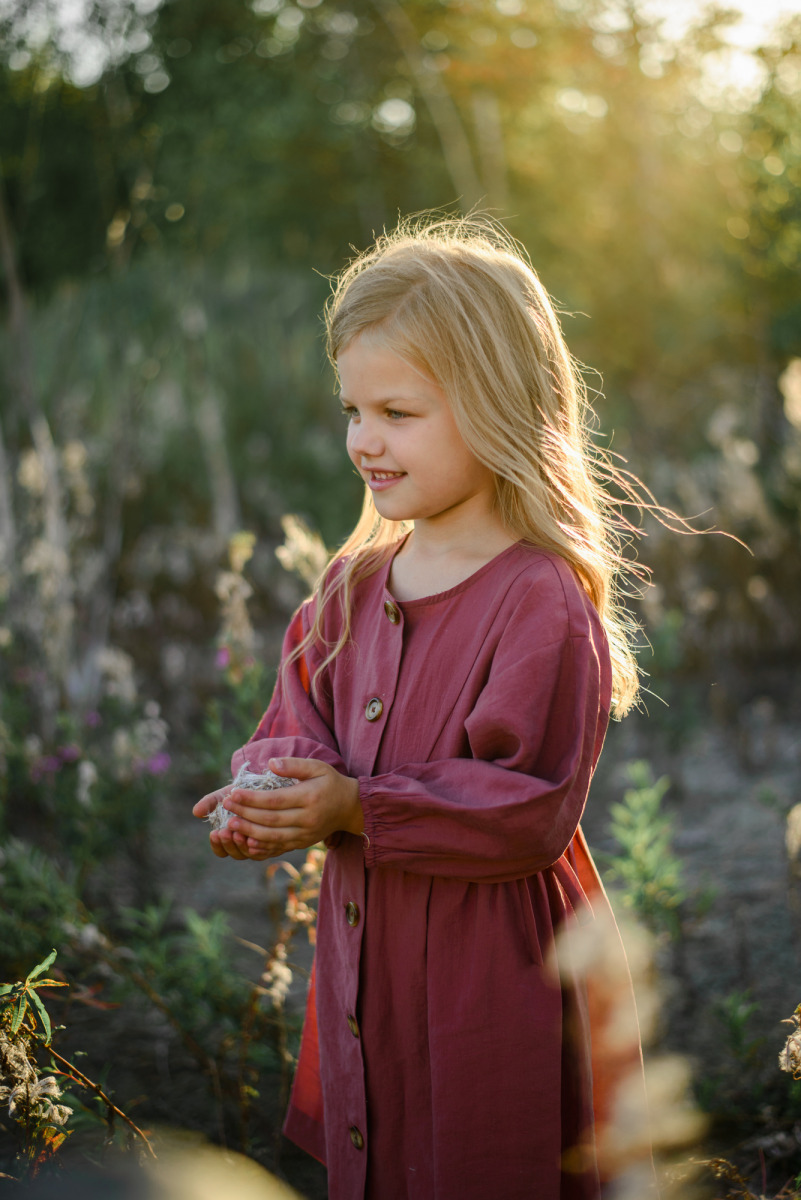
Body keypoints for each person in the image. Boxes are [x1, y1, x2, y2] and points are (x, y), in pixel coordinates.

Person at [193, 216, 654, 1200]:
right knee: (389, 1150)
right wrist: (264, 790)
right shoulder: (350, 587)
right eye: (351, 409)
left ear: (496, 407)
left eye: (397, 412)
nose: (365, 439)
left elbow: (529, 808)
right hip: (373, 956)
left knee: (484, 1159)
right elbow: (295, 723)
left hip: (491, 980)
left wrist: (357, 809)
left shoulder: (539, 597)